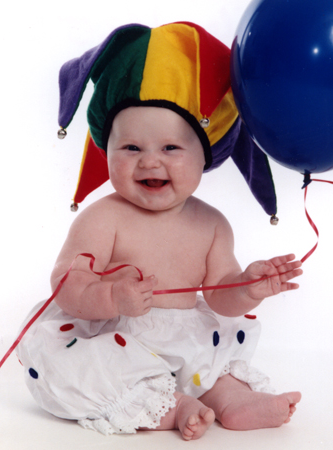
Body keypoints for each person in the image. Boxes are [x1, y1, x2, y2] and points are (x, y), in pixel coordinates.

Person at [17, 23, 302, 440]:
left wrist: (248, 285)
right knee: (85, 368)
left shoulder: (212, 225)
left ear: (204, 155)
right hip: (116, 333)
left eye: (170, 148)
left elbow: (221, 294)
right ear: (106, 149)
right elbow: (67, 283)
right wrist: (110, 296)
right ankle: (170, 407)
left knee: (213, 365)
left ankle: (232, 400)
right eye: (131, 148)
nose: (150, 162)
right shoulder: (103, 219)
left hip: (185, 336)